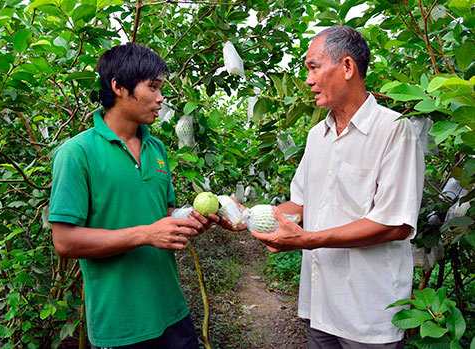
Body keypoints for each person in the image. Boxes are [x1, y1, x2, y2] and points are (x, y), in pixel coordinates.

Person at [248, 26, 425, 348]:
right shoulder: (318, 135)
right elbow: (300, 204)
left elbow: (395, 224)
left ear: (347, 67)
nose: (308, 80)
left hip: (368, 311)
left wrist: (308, 240)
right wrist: (251, 217)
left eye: (314, 67)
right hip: (319, 303)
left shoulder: (394, 131)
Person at [48, 43, 217, 348]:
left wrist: (187, 222)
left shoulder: (157, 149)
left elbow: (162, 216)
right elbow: (65, 241)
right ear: (118, 87)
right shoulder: (76, 154)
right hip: (120, 324)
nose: (160, 98)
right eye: (152, 87)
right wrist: (146, 234)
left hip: (172, 312)